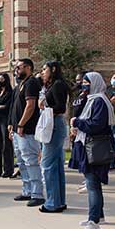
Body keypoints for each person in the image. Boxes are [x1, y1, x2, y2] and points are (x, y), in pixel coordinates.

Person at [69, 71, 115, 229]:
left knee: (93, 184)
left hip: (95, 147)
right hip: (87, 145)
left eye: (87, 83)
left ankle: (93, 220)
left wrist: (78, 122)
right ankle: (98, 215)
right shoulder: (92, 100)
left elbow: (96, 124)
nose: (84, 85)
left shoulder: (99, 101)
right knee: (92, 183)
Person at [9, 58, 44, 206]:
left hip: (27, 130)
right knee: (22, 162)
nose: (16, 70)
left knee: (30, 161)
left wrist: (22, 124)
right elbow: (14, 106)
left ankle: (37, 193)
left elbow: (30, 106)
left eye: (19, 67)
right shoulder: (19, 86)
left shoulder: (31, 83)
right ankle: (27, 190)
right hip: (17, 130)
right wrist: (11, 124)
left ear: (28, 68)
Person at [39, 61, 69, 213]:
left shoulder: (58, 85)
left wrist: (44, 106)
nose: (43, 72)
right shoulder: (54, 85)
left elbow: (61, 107)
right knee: (56, 165)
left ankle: (52, 202)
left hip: (55, 125)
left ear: (54, 69)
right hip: (55, 124)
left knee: (48, 165)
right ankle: (59, 201)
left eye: (45, 69)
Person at [70, 72, 91, 195]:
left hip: (83, 128)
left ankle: (90, 182)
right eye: (78, 81)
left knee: (86, 157)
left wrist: (78, 125)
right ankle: (87, 180)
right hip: (76, 127)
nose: (79, 83)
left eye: (82, 81)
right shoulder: (79, 95)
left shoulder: (89, 97)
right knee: (80, 156)